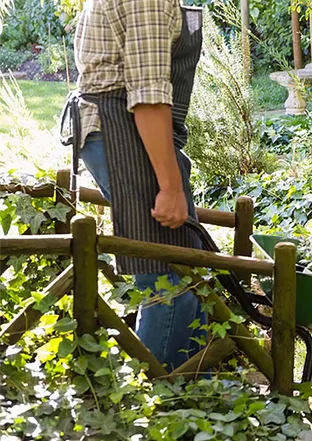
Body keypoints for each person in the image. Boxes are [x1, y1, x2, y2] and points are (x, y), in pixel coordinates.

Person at [63, 0, 206, 369]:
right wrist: (170, 187)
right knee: (169, 276)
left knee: (182, 264)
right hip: (122, 130)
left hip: (123, 130)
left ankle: (196, 385)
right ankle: (154, 402)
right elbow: (147, 98)